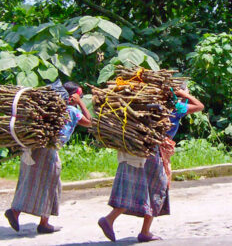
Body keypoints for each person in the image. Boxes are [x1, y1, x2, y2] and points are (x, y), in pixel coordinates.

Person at [98, 81, 204, 242]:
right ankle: (126, 225)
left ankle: (132, 227)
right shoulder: (176, 107)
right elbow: (200, 106)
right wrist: (184, 94)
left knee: (139, 186)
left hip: (144, 149)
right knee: (158, 188)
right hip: (155, 151)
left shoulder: (157, 104)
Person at [4, 81, 91, 234]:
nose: (81, 96)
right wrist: (81, 103)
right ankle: (19, 213)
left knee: (32, 180)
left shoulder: (53, 109)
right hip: (48, 150)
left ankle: (42, 220)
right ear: (72, 96)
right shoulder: (71, 110)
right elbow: (90, 122)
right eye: (79, 95)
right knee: (49, 183)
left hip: (34, 147)